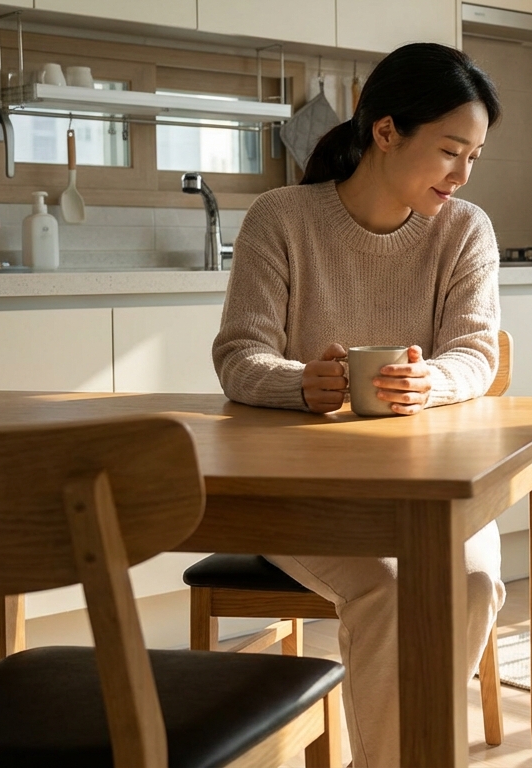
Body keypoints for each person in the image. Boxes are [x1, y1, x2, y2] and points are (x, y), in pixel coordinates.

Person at [211, 42, 503, 767]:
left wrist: (429, 381)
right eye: (449, 151)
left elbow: (476, 353)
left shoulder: (466, 231)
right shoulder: (282, 219)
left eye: (474, 157)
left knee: (471, 581)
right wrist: (298, 382)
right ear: (385, 131)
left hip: (432, 486)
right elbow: (239, 355)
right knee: (389, 583)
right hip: (304, 491)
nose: (462, 175)